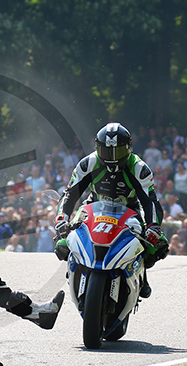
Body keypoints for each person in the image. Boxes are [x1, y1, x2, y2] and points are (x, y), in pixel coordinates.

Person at [54, 123, 168, 299]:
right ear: (98, 149)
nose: (113, 158)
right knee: (63, 242)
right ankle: (75, 269)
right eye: (107, 152)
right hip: (93, 207)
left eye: (118, 152)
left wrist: (153, 226)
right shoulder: (88, 164)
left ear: (129, 148)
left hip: (129, 210)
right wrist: (62, 217)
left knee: (157, 245)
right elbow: (70, 193)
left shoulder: (139, 168)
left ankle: (142, 277)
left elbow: (150, 201)